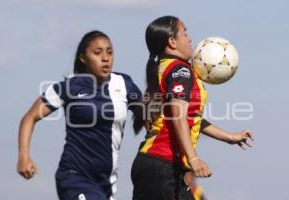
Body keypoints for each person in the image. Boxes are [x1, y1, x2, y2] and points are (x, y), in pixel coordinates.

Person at [131, 16, 254, 200]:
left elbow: (190, 118)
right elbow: (178, 116)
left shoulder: (165, 67)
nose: (189, 39)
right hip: (161, 166)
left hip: (158, 167)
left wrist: (229, 137)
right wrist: (193, 158)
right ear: (172, 42)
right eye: (185, 33)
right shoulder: (181, 70)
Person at [17, 30, 141, 200]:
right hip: (74, 178)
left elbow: (150, 117)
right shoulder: (68, 88)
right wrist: (24, 155)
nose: (105, 58)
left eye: (109, 52)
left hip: (107, 184)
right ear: (83, 57)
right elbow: (29, 118)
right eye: (97, 53)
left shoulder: (124, 84)